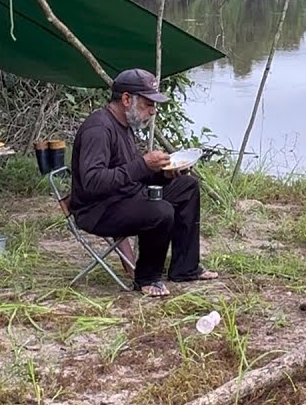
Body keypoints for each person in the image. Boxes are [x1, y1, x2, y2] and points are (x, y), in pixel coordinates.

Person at [68, 68, 218, 297]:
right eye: (148, 104)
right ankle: (147, 278)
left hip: (126, 197)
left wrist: (164, 174)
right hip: (97, 210)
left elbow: (130, 173)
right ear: (127, 99)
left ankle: (185, 268)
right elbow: (93, 181)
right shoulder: (98, 128)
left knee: (187, 186)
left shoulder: (125, 126)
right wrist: (143, 164)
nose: (153, 111)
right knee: (160, 210)